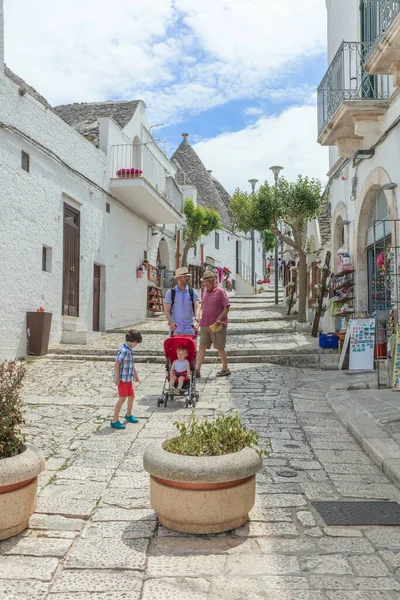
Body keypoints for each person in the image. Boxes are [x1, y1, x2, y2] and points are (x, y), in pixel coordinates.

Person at [196, 270, 231, 378]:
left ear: (213, 281)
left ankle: (225, 369)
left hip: (217, 325)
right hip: (205, 323)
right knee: (202, 346)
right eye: (204, 283)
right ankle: (197, 370)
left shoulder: (220, 292)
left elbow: (226, 307)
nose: (205, 285)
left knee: (219, 347)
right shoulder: (205, 292)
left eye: (207, 283)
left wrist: (220, 319)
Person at [111, 329, 142, 430]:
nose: (136, 345)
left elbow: (131, 364)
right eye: (137, 343)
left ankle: (128, 414)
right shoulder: (124, 351)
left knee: (132, 396)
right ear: (134, 341)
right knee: (122, 398)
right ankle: (114, 420)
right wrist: (117, 379)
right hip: (122, 380)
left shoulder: (129, 350)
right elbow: (117, 364)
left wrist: (135, 375)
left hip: (128, 379)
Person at [164, 267, 200, 335]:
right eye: (185, 276)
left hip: (190, 329)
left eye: (188, 276)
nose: (188, 278)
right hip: (176, 330)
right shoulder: (171, 293)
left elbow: (197, 308)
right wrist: (171, 323)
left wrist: (196, 321)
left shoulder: (192, 292)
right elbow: (167, 310)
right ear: (179, 278)